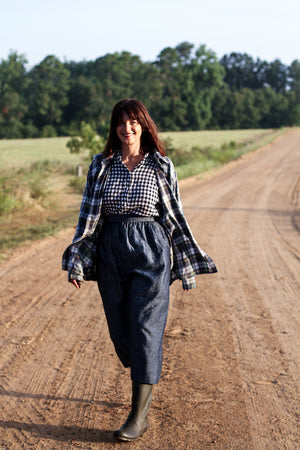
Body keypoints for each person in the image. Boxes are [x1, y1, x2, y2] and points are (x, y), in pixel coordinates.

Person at [62, 99, 217, 442]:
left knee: (146, 330)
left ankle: (138, 416)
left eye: (133, 122)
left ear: (144, 126)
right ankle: (144, 373)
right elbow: (89, 219)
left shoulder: (161, 165)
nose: (126, 128)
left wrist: (186, 266)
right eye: (121, 122)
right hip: (111, 252)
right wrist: (77, 260)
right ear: (114, 128)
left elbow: (174, 218)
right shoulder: (100, 166)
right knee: (123, 332)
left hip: (152, 250)